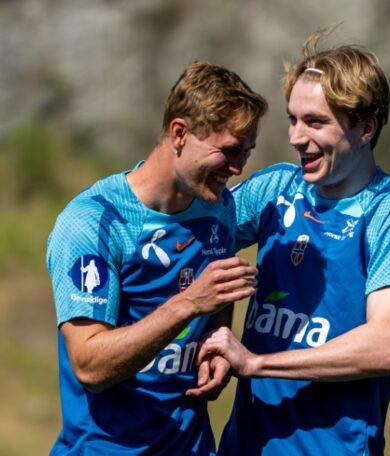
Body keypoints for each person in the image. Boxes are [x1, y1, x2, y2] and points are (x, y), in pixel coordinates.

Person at [192, 31, 390, 454]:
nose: (295, 137)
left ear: (365, 128)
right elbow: (189, 237)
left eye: (315, 122)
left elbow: (388, 344)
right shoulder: (275, 189)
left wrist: (257, 364)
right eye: (293, 119)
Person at [46, 61, 267, 455]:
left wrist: (216, 339)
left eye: (247, 152)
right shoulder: (93, 223)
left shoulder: (218, 207)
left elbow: (213, 301)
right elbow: (90, 366)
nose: (237, 168)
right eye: (230, 151)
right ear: (180, 133)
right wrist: (187, 304)